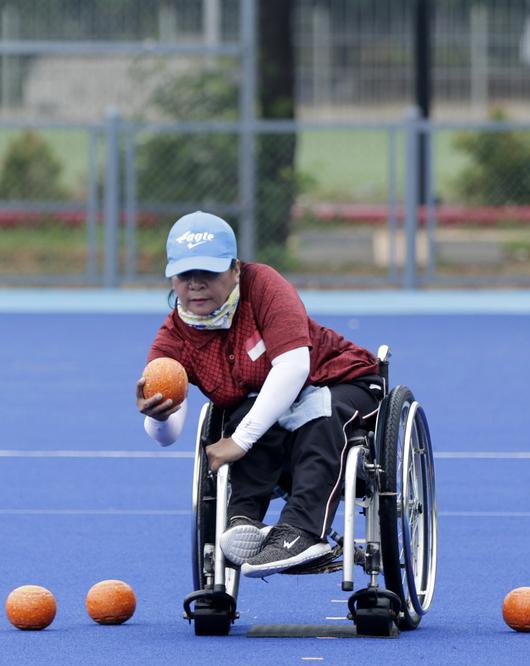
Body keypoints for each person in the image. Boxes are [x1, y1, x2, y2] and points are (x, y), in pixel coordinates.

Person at [136, 211, 384, 578]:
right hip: (276, 415)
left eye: (208, 273)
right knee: (242, 414)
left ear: (235, 269)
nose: (195, 285)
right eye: (185, 275)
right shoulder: (172, 340)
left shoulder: (264, 286)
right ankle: (244, 520)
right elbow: (167, 435)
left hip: (341, 381)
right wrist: (158, 417)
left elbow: (294, 367)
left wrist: (240, 441)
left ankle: (302, 532)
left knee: (314, 411)